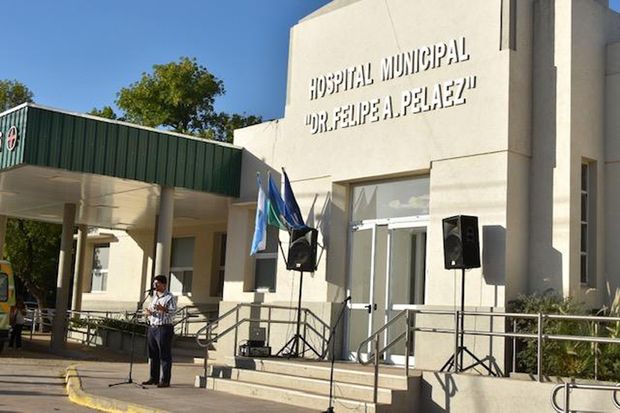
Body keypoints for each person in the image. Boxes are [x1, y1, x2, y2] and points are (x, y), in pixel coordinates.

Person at [142, 275, 176, 388]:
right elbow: (152, 310)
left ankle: (165, 380)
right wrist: (148, 313)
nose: (154, 286)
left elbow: (173, 312)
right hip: (153, 327)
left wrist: (164, 309)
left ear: (164, 284)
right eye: (154, 284)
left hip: (164, 327)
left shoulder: (169, 297)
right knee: (153, 354)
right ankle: (154, 378)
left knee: (164, 355)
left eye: (157, 284)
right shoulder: (154, 297)